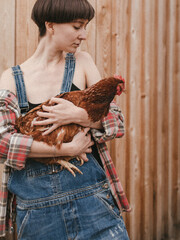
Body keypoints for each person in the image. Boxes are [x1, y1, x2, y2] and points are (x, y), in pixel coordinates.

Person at [0, 0, 131, 239]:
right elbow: (3, 143)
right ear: (50, 25)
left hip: (91, 201)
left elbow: (117, 123)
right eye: (77, 26)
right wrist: (68, 148)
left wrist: (78, 115)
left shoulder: (82, 63)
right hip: (39, 213)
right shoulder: (11, 79)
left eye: (85, 27)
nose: (83, 35)